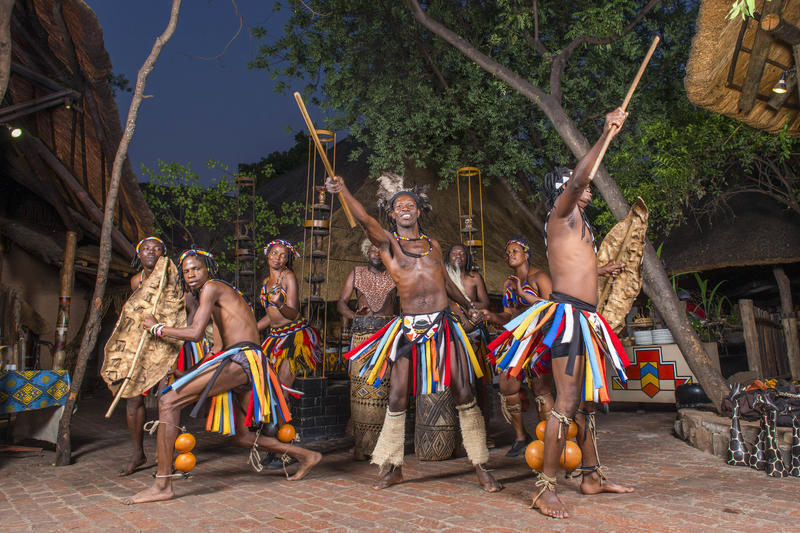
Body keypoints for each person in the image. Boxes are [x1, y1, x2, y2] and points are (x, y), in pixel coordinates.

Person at [326, 174, 502, 493]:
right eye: (398, 206)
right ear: (392, 214)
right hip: (408, 328)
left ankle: (481, 465)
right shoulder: (389, 246)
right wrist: (344, 190)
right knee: (396, 396)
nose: (405, 209)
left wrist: (466, 305)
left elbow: (446, 283)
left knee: (464, 392)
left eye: (410, 205)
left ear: (419, 212)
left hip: (444, 325)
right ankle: (392, 467)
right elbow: (365, 219)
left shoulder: (434, 246)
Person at [499, 108, 633, 518]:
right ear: (563, 190)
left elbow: (575, 266)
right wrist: (603, 131)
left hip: (587, 317)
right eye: (578, 185)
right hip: (569, 318)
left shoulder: (582, 227)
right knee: (567, 401)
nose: (586, 188)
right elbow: (578, 178)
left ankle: (591, 476)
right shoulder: (560, 215)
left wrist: (603, 269)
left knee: (587, 403)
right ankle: (545, 488)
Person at [124, 249, 321, 504]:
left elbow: (195, 333)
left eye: (196, 268)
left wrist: (156, 327)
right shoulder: (217, 297)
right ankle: (306, 455)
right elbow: (216, 349)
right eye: (186, 271)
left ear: (208, 269)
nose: (191, 274)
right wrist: (188, 373)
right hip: (239, 361)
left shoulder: (212, 287)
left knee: (168, 401)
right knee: (242, 436)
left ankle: (162, 485)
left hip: (242, 360)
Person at [482, 236, 555, 457]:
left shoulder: (539, 276)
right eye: (508, 252)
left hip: (541, 334)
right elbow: (510, 315)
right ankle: (521, 437)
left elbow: (553, 307)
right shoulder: (508, 283)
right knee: (506, 385)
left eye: (516, 251)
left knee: (541, 389)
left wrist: (524, 294)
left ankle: (550, 441)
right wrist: (492, 315)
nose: (511, 255)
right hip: (519, 337)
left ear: (526, 254)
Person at [119, 236, 167, 476]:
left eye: (156, 249)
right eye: (146, 249)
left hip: (167, 343)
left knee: (167, 398)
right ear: (139, 255)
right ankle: (138, 453)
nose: (151, 252)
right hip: (142, 345)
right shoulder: (135, 282)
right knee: (133, 398)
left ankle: (165, 453)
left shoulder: (172, 280)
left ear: (162, 255)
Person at [257, 239, 322, 401]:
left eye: (283, 256)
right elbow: (270, 316)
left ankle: (285, 424)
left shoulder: (288, 277)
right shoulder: (265, 282)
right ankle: (277, 424)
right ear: (267, 254)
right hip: (274, 337)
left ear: (288, 259)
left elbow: (293, 314)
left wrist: (278, 302)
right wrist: (251, 327)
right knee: (270, 385)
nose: (277, 258)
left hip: (293, 337)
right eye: (274, 253)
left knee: (282, 388)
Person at [443, 244, 494, 445]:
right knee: (457, 385)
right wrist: (457, 309)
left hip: (474, 333)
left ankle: (486, 433)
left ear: (467, 258)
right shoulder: (444, 280)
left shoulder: (474, 279)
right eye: (454, 253)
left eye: (462, 254)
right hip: (453, 335)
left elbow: (485, 303)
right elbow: (443, 302)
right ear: (448, 257)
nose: (458, 256)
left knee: (481, 385)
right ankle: (457, 435)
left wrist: (468, 308)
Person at [337, 238, 397, 331]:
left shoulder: (394, 275)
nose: (377, 254)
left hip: (388, 332)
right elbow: (341, 302)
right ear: (367, 253)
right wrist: (356, 317)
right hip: (362, 332)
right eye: (373, 251)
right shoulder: (356, 273)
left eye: (381, 251)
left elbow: (410, 299)